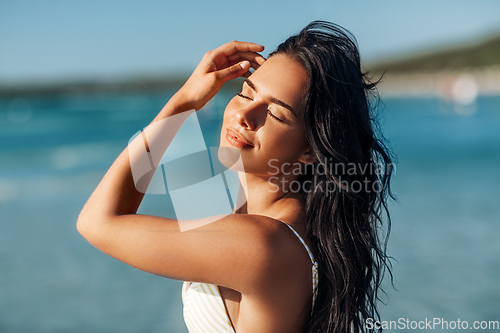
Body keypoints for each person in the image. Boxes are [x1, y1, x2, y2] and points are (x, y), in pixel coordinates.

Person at [78, 21, 394, 333]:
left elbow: (96, 222)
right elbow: (130, 199)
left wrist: (184, 100)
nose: (244, 116)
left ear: (310, 152)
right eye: (245, 93)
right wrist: (186, 103)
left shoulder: (262, 243)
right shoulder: (246, 211)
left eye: (275, 114)